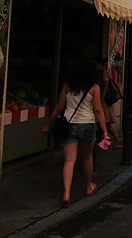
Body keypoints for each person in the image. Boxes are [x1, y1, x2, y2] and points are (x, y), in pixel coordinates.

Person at [42, 59, 108, 208]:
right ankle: (89, 186)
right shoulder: (94, 87)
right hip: (87, 124)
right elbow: (98, 109)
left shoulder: (67, 86)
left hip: (69, 124)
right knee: (87, 157)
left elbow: (59, 108)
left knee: (69, 161)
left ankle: (66, 194)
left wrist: (47, 124)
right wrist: (104, 130)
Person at [94, 58, 122, 149]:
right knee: (104, 122)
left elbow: (105, 84)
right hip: (102, 100)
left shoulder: (103, 73)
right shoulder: (99, 73)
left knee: (105, 122)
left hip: (104, 101)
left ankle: (117, 139)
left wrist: (101, 98)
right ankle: (108, 139)